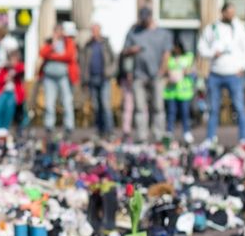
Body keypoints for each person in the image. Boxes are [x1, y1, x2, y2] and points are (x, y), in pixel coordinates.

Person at [197, 2, 245, 147]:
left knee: (239, 107)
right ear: (222, 12)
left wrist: (243, 67)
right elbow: (201, 47)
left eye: (233, 12)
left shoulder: (239, 29)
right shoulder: (212, 28)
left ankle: (243, 139)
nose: (231, 15)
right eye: (229, 12)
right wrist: (211, 53)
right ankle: (210, 138)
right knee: (213, 107)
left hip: (234, 74)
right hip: (215, 73)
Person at [120, 8, 171, 142]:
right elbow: (124, 52)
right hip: (138, 75)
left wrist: (162, 69)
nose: (143, 21)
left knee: (158, 106)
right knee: (139, 107)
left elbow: (167, 53)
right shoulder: (133, 32)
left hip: (156, 75)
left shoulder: (162, 33)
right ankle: (142, 136)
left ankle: (158, 135)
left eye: (145, 18)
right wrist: (132, 50)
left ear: (150, 17)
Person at [37, 22, 77, 134]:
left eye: (59, 31)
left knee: (67, 101)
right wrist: (52, 45)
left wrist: (54, 56)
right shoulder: (49, 42)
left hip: (63, 76)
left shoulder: (68, 42)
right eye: (56, 31)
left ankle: (69, 125)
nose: (57, 33)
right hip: (49, 77)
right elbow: (42, 53)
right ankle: (49, 125)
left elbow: (68, 55)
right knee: (49, 102)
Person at [79, 23, 115, 136]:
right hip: (92, 79)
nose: (94, 33)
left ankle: (109, 130)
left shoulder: (105, 44)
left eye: (96, 30)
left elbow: (114, 59)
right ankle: (100, 130)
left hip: (104, 78)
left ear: (100, 31)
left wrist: (109, 72)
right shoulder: (88, 45)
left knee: (105, 104)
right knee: (96, 106)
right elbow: (84, 64)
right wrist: (84, 80)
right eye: (92, 30)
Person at [164, 38, 196, 143]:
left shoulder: (188, 58)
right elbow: (165, 71)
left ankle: (186, 132)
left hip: (184, 91)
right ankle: (169, 132)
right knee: (171, 113)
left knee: (185, 113)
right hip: (171, 91)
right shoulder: (169, 59)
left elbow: (193, 73)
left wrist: (188, 71)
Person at [0, 49, 26, 132]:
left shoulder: (18, 68)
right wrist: (6, 77)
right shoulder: (4, 69)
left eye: (14, 60)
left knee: (9, 107)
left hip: (13, 94)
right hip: (2, 92)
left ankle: (5, 129)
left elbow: (21, 69)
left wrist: (13, 71)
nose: (12, 62)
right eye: (11, 59)